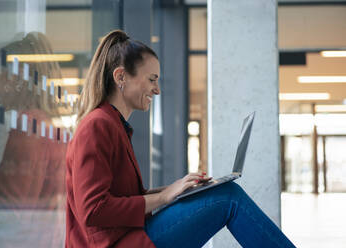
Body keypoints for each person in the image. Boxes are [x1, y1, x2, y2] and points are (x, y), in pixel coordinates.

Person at [65, 30, 296, 248]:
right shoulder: (97, 125)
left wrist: (178, 189)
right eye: (152, 79)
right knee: (229, 198)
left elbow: (124, 199)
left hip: (129, 236)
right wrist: (165, 196)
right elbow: (94, 211)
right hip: (119, 243)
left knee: (223, 194)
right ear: (121, 77)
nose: (157, 90)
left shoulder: (113, 124)